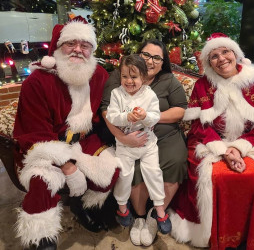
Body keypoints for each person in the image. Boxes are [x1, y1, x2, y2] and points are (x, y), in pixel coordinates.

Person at [169, 33, 254, 250]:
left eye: (225, 51)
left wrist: (238, 148)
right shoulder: (202, 86)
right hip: (210, 142)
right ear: (208, 62)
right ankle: (212, 233)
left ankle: (248, 233)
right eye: (214, 56)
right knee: (210, 175)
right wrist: (223, 150)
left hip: (250, 143)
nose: (221, 58)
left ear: (235, 53)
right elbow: (199, 126)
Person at [13, 18, 120, 250]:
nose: (78, 50)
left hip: (85, 139)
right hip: (47, 143)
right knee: (43, 180)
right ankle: (42, 238)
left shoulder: (99, 74)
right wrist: (68, 166)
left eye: (85, 45)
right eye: (71, 43)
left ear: (92, 49)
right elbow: (35, 133)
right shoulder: (38, 81)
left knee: (113, 165)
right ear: (59, 47)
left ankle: (85, 206)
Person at [101, 39, 187, 246]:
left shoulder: (167, 80)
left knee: (172, 162)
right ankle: (137, 218)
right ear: (138, 55)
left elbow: (180, 110)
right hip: (126, 138)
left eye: (157, 57)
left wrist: (147, 117)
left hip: (161, 137)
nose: (150, 60)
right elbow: (107, 111)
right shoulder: (119, 79)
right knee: (130, 170)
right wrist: (123, 136)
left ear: (163, 61)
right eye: (146, 55)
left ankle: (155, 214)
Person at [106, 54, 172, 243]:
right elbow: (111, 116)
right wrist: (126, 117)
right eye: (125, 76)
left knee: (153, 171)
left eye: (134, 77)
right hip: (125, 146)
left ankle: (160, 210)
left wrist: (144, 116)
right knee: (124, 174)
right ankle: (122, 208)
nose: (129, 81)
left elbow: (155, 117)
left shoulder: (149, 94)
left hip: (148, 144)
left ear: (143, 77)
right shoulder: (117, 94)